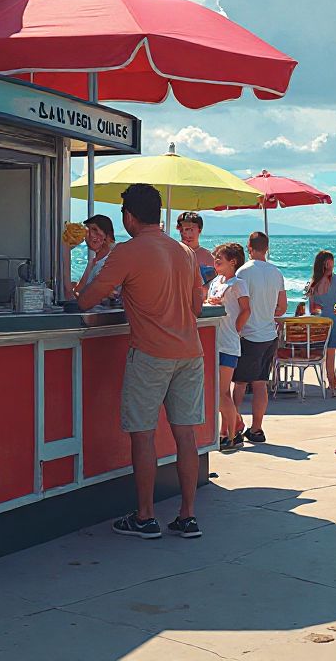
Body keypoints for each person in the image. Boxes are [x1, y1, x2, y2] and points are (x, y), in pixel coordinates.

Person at [78, 183, 206, 540]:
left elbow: (86, 300)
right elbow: (196, 307)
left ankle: (146, 516)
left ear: (130, 216)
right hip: (190, 353)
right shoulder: (184, 251)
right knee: (185, 435)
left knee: (143, 436)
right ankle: (187, 516)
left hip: (151, 353)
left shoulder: (128, 252)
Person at [232, 232, 287, 440]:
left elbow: (237, 303)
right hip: (269, 334)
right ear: (267, 248)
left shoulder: (243, 272)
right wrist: (266, 312)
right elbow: (281, 308)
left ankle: (234, 424)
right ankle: (256, 428)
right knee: (260, 383)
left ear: (249, 247)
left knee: (239, 382)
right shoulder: (276, 272)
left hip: (248, 334)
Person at [206, 243, 250, 450]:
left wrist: (236, 329)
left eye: (219, 259)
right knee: (218, 391)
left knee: (222, 392)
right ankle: (229, 429)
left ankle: (232, 434)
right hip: (214, 341)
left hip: (228, 342)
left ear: (233, 261)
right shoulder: (216, 281)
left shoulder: (238, 283)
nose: (215, 262)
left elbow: (246, 310)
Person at [306, 250, 336, 396]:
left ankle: (332, 386)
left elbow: (312, 309)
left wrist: (323, 307)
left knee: (330, 356)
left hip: (325, 322)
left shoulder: (313, 284)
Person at [71, 214, 117, 302]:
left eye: (95, 230)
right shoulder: (93, 262)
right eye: (88, 230)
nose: (90, 235)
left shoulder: (114, 258)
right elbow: (79, 292)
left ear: (108, 235)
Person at [176, 211, 215, 290]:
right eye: (184, 229)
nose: (187, 234)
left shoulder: (208, 256)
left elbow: (213, 284)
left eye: (191, 229)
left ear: (199, 230)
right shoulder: (173, 253)